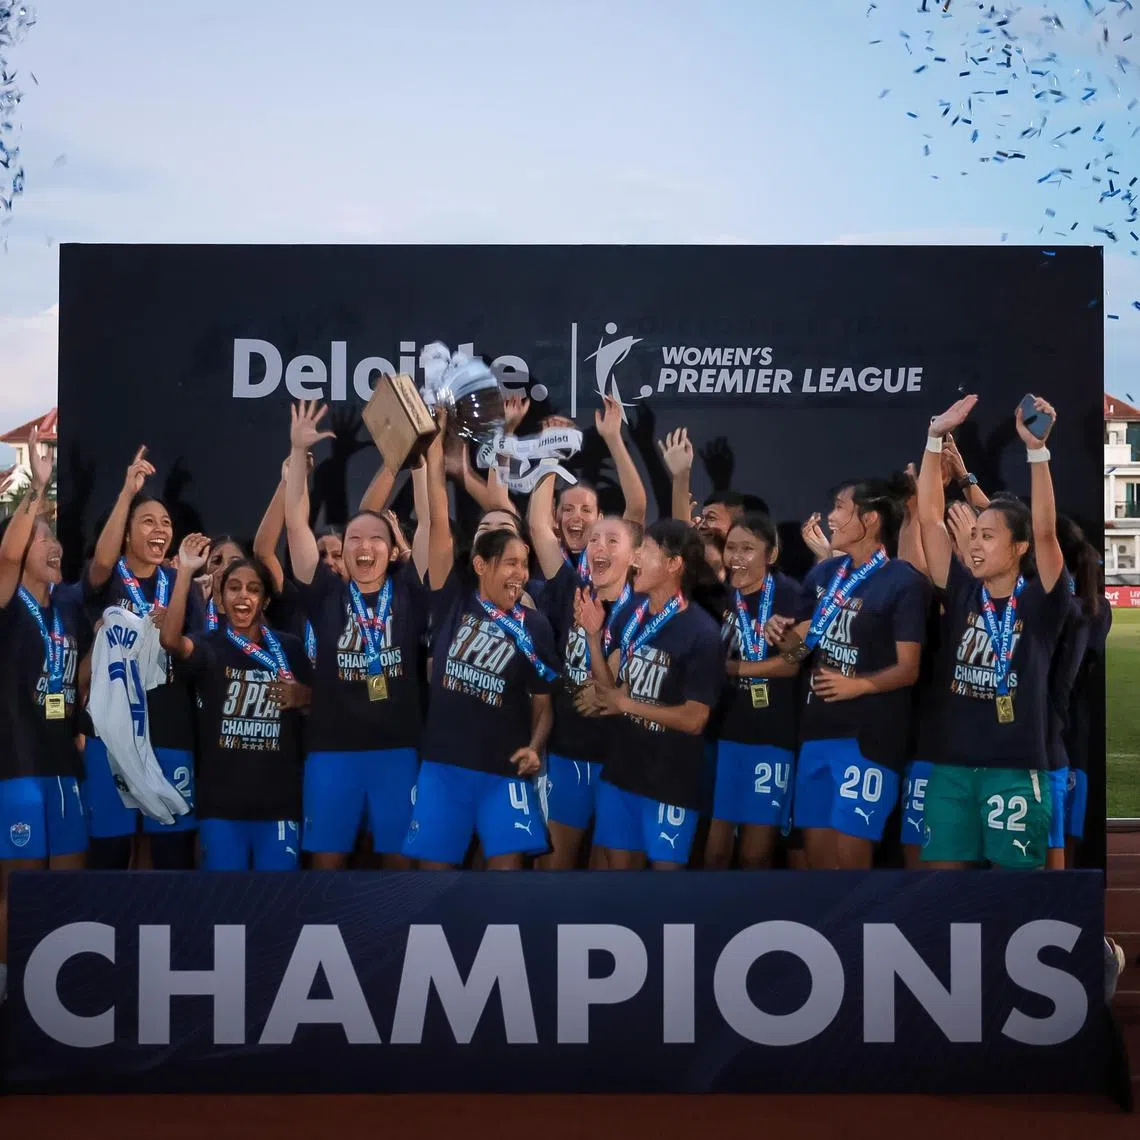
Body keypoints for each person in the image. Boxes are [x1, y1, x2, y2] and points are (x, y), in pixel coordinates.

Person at [916, 395, 1069, 870]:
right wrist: (934, 438)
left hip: (1016, 770)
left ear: (1018, 547)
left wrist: (1037, 452)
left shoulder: (1041, 601)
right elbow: (928, 518)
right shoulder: (962, 590)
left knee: (1018, 895)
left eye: (987, 536)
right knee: (942, 891)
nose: (974, 544)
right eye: (973, 534)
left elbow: (1046, 533)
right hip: (953, 768)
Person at [402, 409, 558, 870]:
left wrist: (535, 746)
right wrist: (433, 452)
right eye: (510, 563)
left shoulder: (536, 627)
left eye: (524, 565)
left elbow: (544, 703)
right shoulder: (452, 600)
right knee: (431, 886)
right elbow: (438, 520)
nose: (520, 574)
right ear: (481, 565)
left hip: (504, 771)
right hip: (444, 768)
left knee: (505, 892)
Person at [284, 401, 430, 870]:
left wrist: (423, 461)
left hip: (397, 750)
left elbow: (430, 525)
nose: (364, 546)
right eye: (354, 540)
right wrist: (296, 452)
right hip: (331, 753)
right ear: (342, 553)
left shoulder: (409, 592)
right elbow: (295, 526)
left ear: (392, 552)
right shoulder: (324, 593)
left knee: (399, 868)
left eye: (376, 540)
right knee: (326, 866)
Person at [766, 474, 929, 870]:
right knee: (819, 864)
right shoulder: (824, 575)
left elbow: (909, 669)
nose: (831, 517)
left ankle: (858, 933)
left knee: (851, 863)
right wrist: (780, 635)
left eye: (840, 507)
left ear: (870, 520)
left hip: (868, 740)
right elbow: (802, 648)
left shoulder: (903, 582)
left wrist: (857, 686)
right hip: (818, 732)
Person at [578, 518, 724, 871]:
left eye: (646, 551)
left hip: (671, 781)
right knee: (617, 880)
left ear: (674, 564)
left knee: (665, 891)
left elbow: (694, 719)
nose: (635, 558)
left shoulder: (702, 633)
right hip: (623, 771)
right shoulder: (630, 613)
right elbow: (607, 690)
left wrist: (627, 704)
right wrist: (594, 638)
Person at [81, 447, 202, 870]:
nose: (160, 529)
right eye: (147, 521)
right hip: (110, 737)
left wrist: (169, 629)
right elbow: (100, 558)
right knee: (110, 854)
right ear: (128, 533)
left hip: (168, 733)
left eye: (166, 523)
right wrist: (128, 492)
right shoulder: (107, 579)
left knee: (171, 858)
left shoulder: (183, 581)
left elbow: (194, 653)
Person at [0, 428, 88, 1003]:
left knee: (69, 889)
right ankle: (8, 988)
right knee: (20, 889)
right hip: (17, 768)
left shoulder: (69, 614)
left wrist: (80, 721)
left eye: (56, 539)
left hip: (64, 771)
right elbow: (7, 553)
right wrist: (36, 478)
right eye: (41, 539)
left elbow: (75, 680)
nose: (53, 547)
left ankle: (60, 992)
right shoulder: (7, 606)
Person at [160, 536, 311, 870]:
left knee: (277, 902)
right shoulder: (208, 645)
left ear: (266, 600)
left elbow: (320, 709)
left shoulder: (291, 648)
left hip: (280, 805)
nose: (244, 595)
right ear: (221, 599)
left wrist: (304, 695)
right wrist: (184, 572)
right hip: (221, 808)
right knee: (225, 905)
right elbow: (170, 640)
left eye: (254, 589)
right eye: (234, 588)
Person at [528, 468, 643, 868]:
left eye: (611, 539)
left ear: (633, 555)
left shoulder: (643, 611)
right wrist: (546, 462)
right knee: (553, 869)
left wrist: (613, 436)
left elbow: (619, 697)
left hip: (622, 757)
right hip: (569, 752)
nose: (599, 545)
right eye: (594, 539)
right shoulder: (567, 588)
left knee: (613, 872)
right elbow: (539, 527)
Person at [705, 513, 802, 869]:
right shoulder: (720, 598)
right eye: (731, 548)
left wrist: (737, 668)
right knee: (715, 847)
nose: (737, 557)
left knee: (755, 853)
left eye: (748, 549)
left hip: (772, 735)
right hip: (724, 732)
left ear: (771, 555)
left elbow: (796, 659)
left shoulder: (791, 594)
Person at [1049, 516, 1105, 868]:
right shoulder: (1095, 606)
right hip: (1068, 735)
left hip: (1060, 735)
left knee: (1059, 835)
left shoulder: (1082, 609)